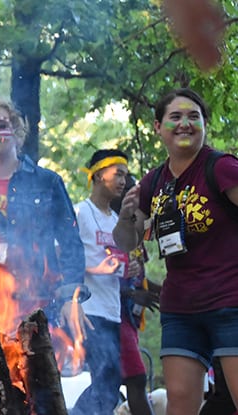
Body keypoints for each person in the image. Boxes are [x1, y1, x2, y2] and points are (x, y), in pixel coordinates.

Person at [113, 88, 238, 415]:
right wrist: (127, 214)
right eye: (176, 117)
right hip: (181, 307)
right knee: (180, 402)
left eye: (194, 116)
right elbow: (127, 242)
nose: (185, 123)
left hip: (231, 300)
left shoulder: (222, 167)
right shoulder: (154, 182)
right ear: (158, 127)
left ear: (204, 125)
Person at [0, 99, 87, 335]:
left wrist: (71, 298)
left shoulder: (47, 182)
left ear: (16, 133)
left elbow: (71, 243)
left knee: (40, 371)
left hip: (41, 308)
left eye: (1, 125)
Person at [71, 149, 130, 414]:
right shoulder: (79, 212)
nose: (123, 182)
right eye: (118, 174)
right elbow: (62, 258)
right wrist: (96, 268)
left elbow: (119, 263)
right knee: (107, 378)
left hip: (113, 310)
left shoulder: (117, 221)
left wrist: (131, 267)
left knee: (110, 381)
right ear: (97, 175)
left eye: (126, 176)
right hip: (88, 309)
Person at [112, 173, 161, 415]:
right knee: (137, 380)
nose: (135, 195)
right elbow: (98, 278)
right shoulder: (108, 227)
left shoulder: (136, 232)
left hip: (131, 321)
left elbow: (139, 277)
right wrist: (131, 294)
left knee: (110, 386)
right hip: (114, 317)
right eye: (129, 190)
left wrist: (164, 290)